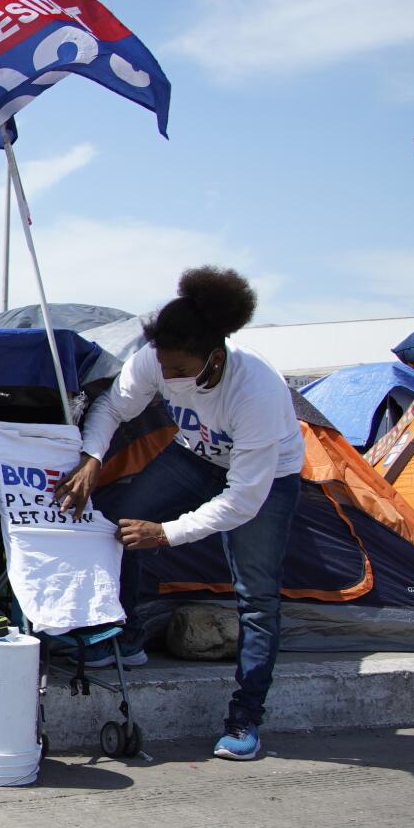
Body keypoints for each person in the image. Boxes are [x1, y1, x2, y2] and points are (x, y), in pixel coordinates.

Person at [56, 267, 304, 762]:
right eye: (162, 367)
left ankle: (244, 720)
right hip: (195, 456)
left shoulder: (256, 392)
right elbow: (111, 408)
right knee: (118, 518)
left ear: (214, 357)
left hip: (265, 480)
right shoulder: (155, 358)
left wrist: (166, 534)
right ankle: (123, 640)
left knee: (256, 598)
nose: (167, 379)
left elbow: (242, 502)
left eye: (178, 371)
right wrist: (92, 458)